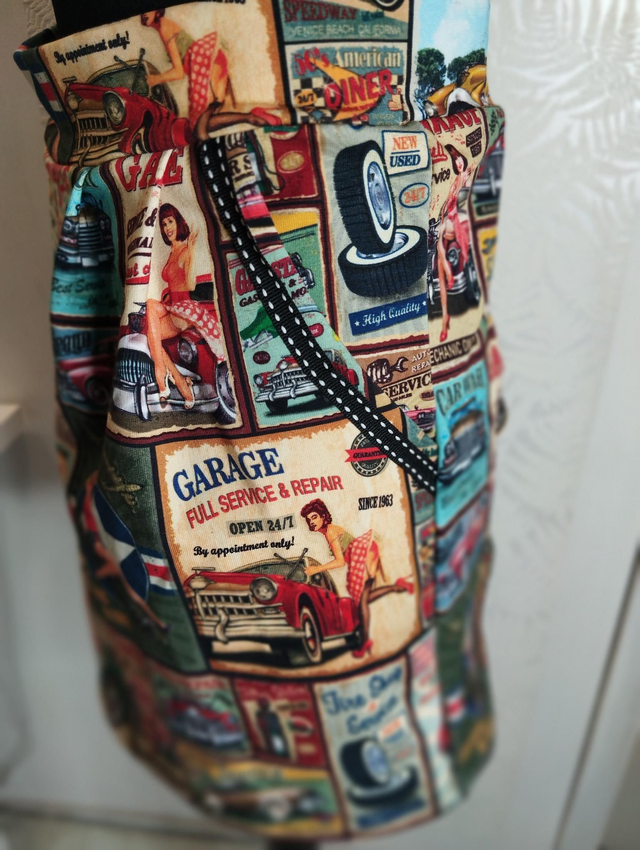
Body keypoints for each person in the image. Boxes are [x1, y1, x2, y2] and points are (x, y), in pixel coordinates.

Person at [300, 499, 413, 659]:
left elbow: (340, 561)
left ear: (323, 517)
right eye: (308, 519)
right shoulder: (328, 532)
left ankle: (365, 642)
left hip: (363, 555)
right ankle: (399, 586)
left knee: (361, 602)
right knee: (363, 598)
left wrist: (316, 569)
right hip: (362, 555)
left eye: (314, 517)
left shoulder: (330, 531)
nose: (311, 522)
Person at [140, 10, 280, 137]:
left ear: (157, 10)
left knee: (198, 126)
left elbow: (178, 73)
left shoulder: (164, 27)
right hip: (211, 60)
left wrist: (155, 79)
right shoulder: (164, 27)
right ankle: (252, 117)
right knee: (204, 123)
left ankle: (251, 117)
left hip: (203, 62)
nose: (143, 14)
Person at [146, 203, 226, 409]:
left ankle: (162, 374)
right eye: (164, 224)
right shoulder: (172, 251)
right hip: (172, 305)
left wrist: (191, 251)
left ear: (178, 222)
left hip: (184, 308)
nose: (167, 228)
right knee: (150, 334)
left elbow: (190, 285)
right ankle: (180, 381)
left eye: (170, 222)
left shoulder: (184, 250)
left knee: (150, 319)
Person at [436, 143, 476, 342]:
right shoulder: (453, 181)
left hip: (453, 223)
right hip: (444, 223)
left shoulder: (464, 178)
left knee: (440, 246)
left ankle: (450, 273)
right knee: (441, 278)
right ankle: (445, 318)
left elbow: (461, 203)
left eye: (460, 160)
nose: (459, 163)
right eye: (456, 161)